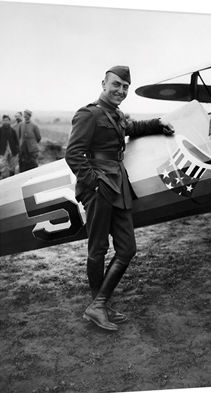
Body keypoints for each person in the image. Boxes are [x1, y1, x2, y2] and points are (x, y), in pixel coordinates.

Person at [65, 65, 174, 331]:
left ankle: (98, 305)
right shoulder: (88, 114)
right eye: (116, 85)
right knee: (98, 248)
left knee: (127, 248)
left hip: (118, 187)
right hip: (101, 189)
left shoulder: (115, 114)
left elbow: (130, 126)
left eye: (125, 87)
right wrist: (95, 184)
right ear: (104, 83)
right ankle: (97, 304)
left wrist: (157, 123)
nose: (121, 91)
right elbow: (73, 154)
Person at [0, 115, 20, 179]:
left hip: (12, 150)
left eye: (7, 120)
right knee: (0, 164)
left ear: (9, 121)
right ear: (2, 121)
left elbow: (16, 142)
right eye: (4, 120)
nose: (5, 122)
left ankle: (11, 178)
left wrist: (17, 150)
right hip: (2, 150)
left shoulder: (13, 131)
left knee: (12, 167)